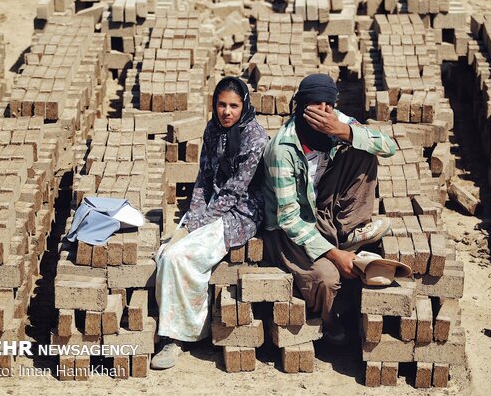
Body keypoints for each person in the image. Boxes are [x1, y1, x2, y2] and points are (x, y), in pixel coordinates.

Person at [262, 73, 397, 344]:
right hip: (290, 229)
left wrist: (344, 132)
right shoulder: (283, 150)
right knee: (327, 278)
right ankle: (328, 321)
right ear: (301, 106)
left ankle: (349, 231)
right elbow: (289, 220)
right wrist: (335, 256)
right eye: (316, 105)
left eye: (329, 105)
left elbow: (389, 147)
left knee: (362, 148)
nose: (324, 111)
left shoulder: (336, 120)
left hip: (321, 207)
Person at [151, 77, 268, 369]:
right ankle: (177, 325)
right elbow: (203, 180)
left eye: (233, 106)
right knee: (164, 254)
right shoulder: (212, 129)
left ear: (245, 106)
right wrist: (193, 215)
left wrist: (196, 226)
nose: (226, 111)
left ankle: (179, 337)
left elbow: (235, 191)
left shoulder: (255, 139)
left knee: (180, 256)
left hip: (240, 213)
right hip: (212, 207)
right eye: (221, 104)